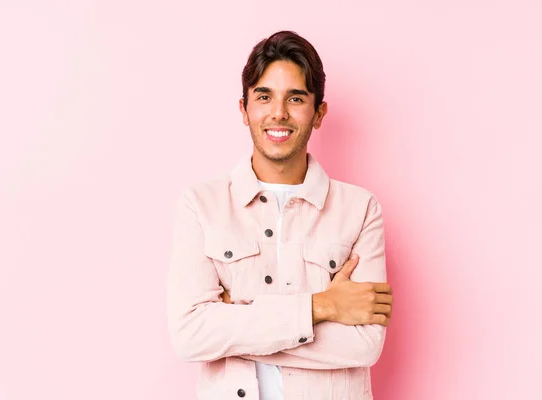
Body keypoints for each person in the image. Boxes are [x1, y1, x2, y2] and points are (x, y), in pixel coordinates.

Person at [167, 30, 393, 400]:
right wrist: (325, 306)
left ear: (318, 113)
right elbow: (189, 335)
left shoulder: (361, 209)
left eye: (296, 98)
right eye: (264, 97)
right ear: (244, 110)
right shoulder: (201, 205)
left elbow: (364, 344)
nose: (278, 113)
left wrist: (236, 322)